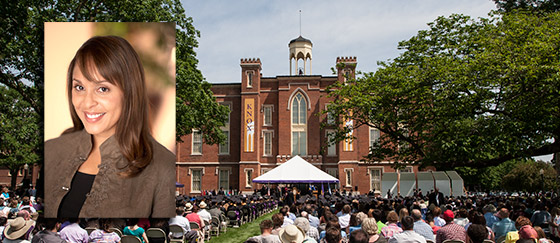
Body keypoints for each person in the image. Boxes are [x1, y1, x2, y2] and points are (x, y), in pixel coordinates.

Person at [44, 35, 175, 218]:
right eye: (79, 87)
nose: (87, 103)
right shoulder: (51, 151)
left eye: (102, 89)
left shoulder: (163, 167)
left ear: (129, 92)